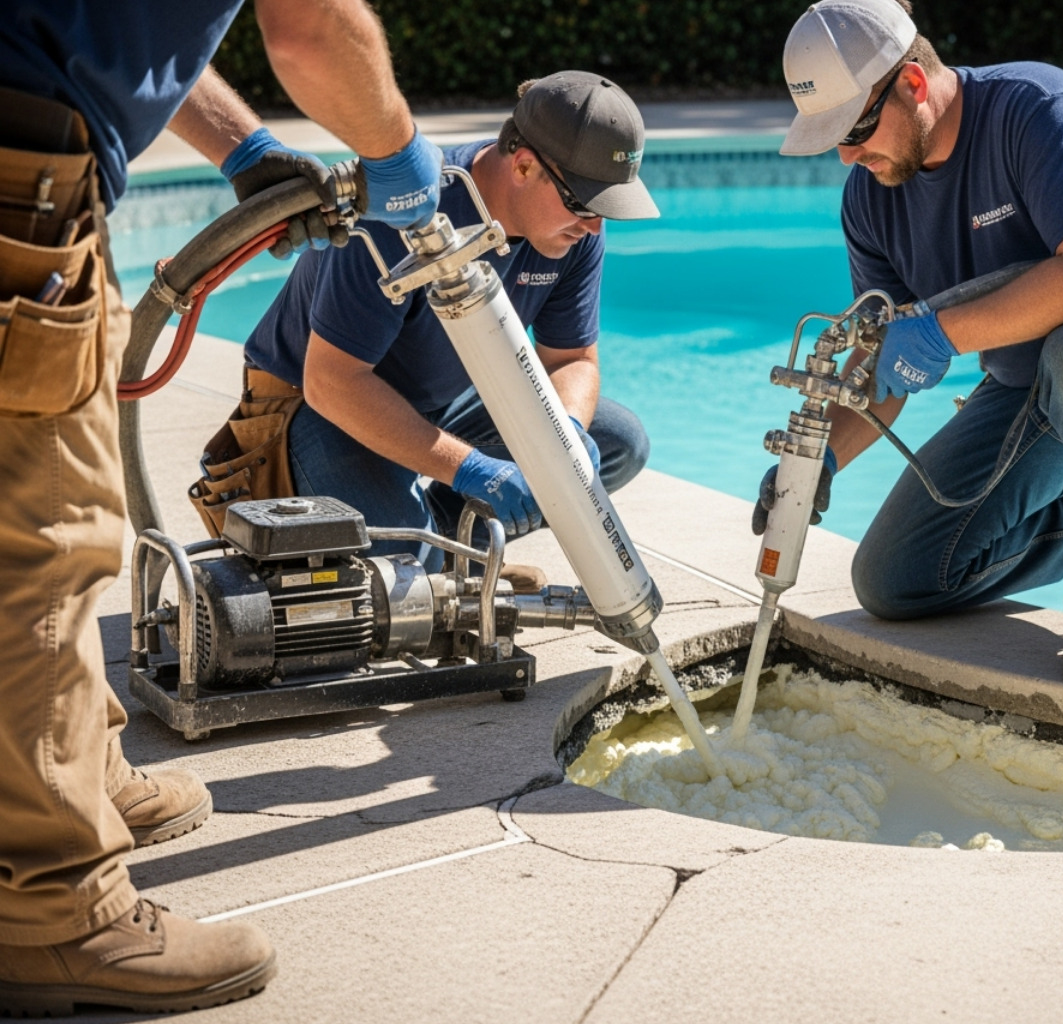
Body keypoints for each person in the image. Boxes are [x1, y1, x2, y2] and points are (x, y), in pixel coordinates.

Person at [0, 0, 443, 1014]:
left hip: (39, 145)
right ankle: (54, 910)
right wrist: (399, 153)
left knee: (70, 506)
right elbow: (313, 29)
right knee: (36, 542)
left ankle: (80, 766)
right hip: (18, 153)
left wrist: (242, 145)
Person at [764, 0, 1063, 681]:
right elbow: (881, 370)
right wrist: (817, 460)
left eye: (855, 129)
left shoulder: (1038, 108)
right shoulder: (872, 196)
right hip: (1029, 386)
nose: (847, 155)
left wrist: (942, 332)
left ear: (913, 84)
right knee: (895, 580)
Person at [241, 71, 657, 571]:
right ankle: (434, 552)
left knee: (616, 444)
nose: (594, 226)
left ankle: (445, 541)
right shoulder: (406, 209)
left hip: (442, 398)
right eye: (585, 204)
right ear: (523, 166)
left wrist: (562, 436)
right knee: (410, 574)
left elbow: (572, 359)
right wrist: (471, 468)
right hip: (317, 408)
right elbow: (330, 383)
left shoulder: (575, 231)